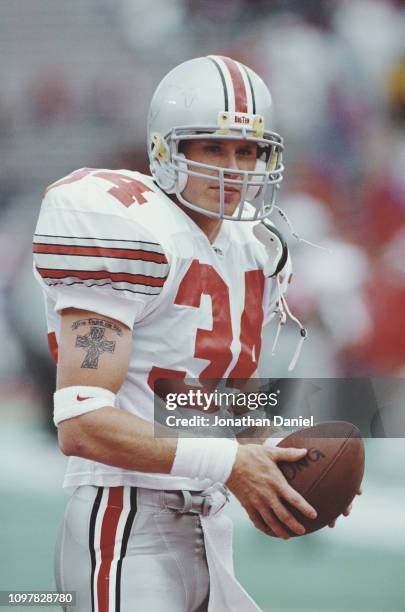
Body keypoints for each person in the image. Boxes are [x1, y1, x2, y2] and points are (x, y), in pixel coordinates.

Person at [33, 55, 325, 612]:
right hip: (124, 526)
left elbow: (219, 405)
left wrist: (285, 461)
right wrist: (232, 464)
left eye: (248, 150)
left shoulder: (255, 249)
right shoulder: (127, 229)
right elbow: (83, 423)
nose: (233, 167)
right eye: (212, 147)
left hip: (208, 529)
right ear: (167, 150)